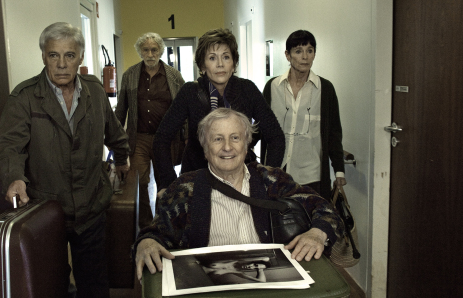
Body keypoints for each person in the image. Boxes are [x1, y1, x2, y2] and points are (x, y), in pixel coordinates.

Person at [0, 22, 130, 298]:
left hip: (91, 204)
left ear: (80, 58)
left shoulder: (94, 90)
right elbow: (8, 146)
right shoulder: (25, 96)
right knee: (50, 283)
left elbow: (113, 130)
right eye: (54, 55)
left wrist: (123, 158)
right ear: (44, 56)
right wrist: (14, 177)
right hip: (46, 210)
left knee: (94, 282)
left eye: (70, 55)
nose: (62, 64)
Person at [134, 108, 343, 280]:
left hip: (270, 285)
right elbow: (155, 232)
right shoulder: (183, 189)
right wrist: (147, 243)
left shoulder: (271, 179)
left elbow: (324, 208)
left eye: (235, 137)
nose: (227, 147)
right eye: (217, 139)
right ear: (205, 149)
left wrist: (316, 233)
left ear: (246, 144)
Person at [152, 28, 285, 197]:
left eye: (226, 57)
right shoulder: (190, 92)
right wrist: (167, 184)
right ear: (202, 64)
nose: (220, 64)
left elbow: (276, 136)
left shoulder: (247, 90)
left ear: (234, 63)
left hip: (241, 181)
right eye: (212, 58)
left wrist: (268, 179)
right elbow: (161, 139)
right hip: (196, 181)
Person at [262, 30, 346, 198]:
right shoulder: (272, 87)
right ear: (287, 55)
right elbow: (261, 127)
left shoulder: (325, 89)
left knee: (311, 222)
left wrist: (339, 170)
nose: (305, 57)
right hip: (277, 171)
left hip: (311, 175)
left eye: (310, 50)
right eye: (298, 51)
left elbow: (334, 132)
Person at [115, 32, 185, 228]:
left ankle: (163, 221)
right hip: (139, 138)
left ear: (161, 51)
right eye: (145, 49)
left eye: (154, 49)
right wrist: (115, 139)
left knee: (166, 181)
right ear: (140, 51)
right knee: (141, 182)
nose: (150, 53)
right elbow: (121, 109)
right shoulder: (130, 75)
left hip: (166, 138)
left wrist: (186, 137)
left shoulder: (174, 75)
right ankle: (146, 225)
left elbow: (183, 109)